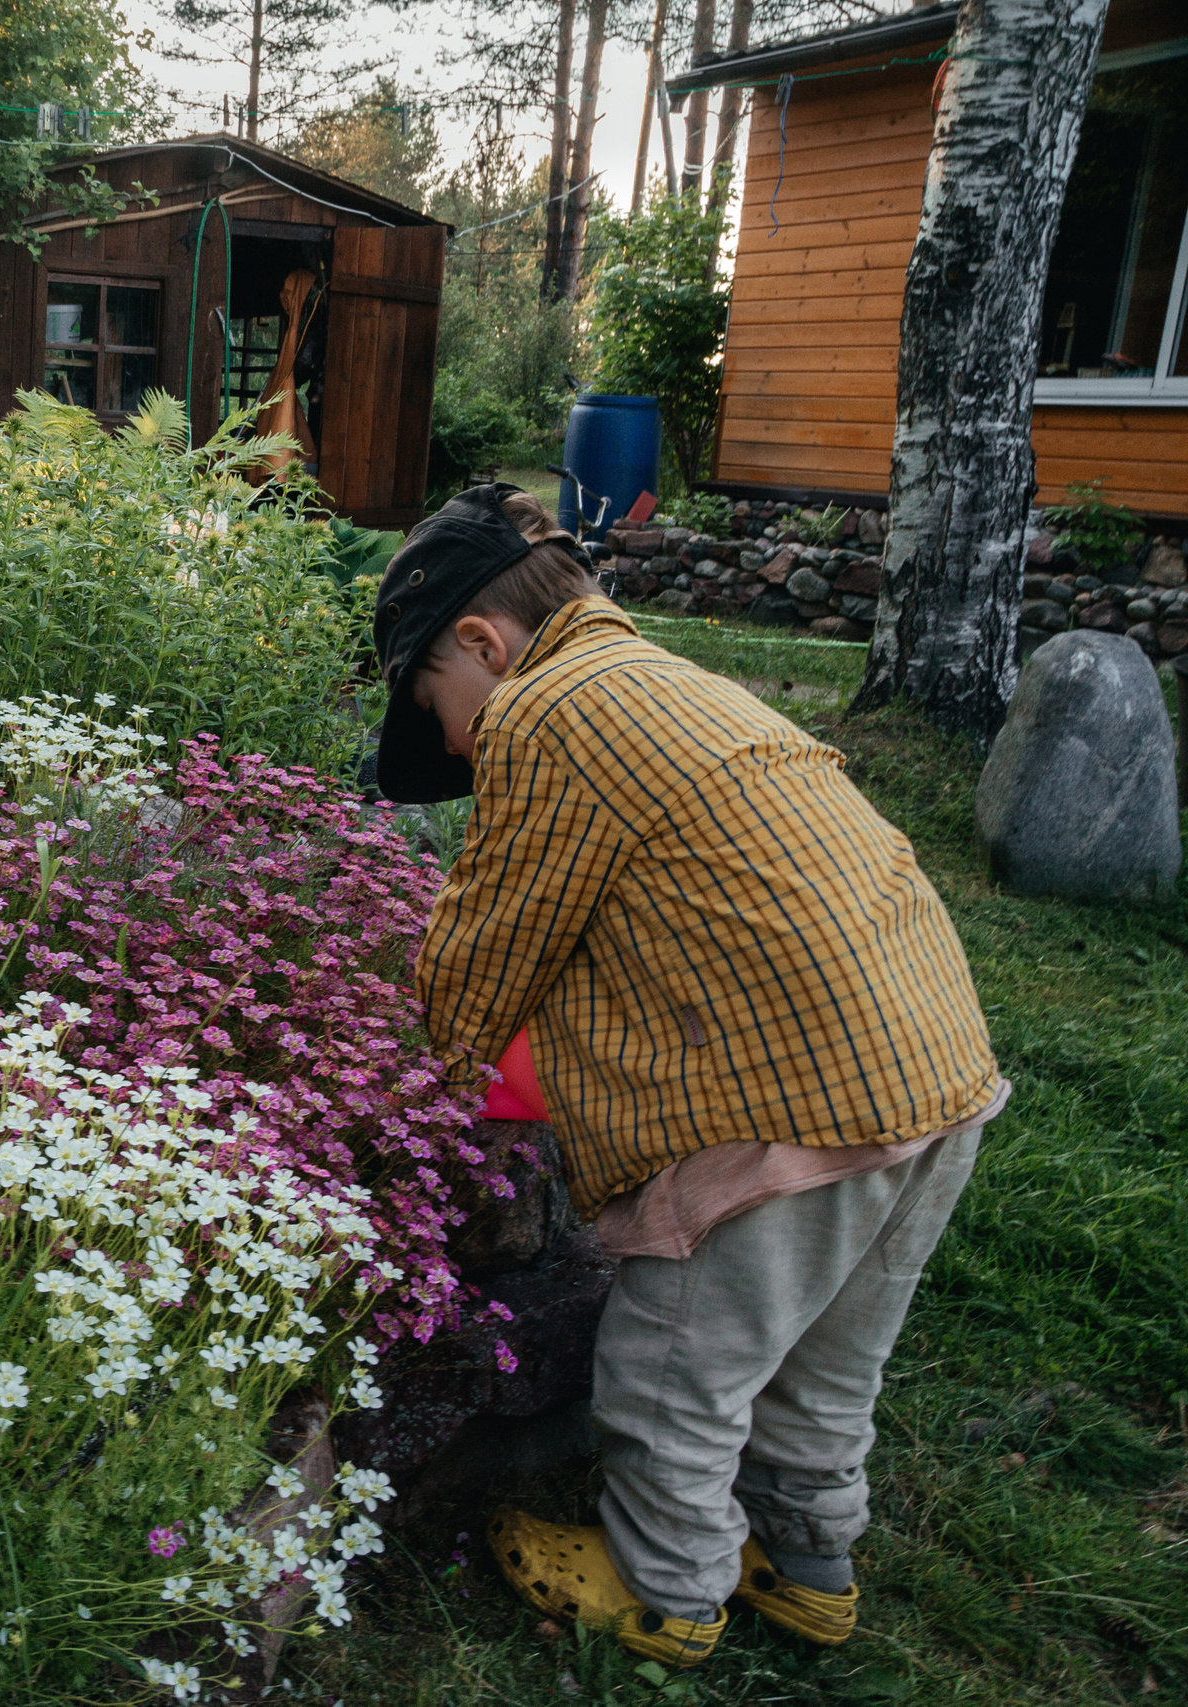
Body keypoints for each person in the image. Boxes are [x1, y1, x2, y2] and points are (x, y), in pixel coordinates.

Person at [369, 483, 1005, 1665]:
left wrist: (421, 1087)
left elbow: (494, 939)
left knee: (675, 1370)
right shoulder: (666, 681)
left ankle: (664, 1590)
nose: (451, 743)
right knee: (823, 1364)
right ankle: (805, 1562)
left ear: (482, 644)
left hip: (788, 1106)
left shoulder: (549, 709)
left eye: (431, 704)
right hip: (931, 1066)